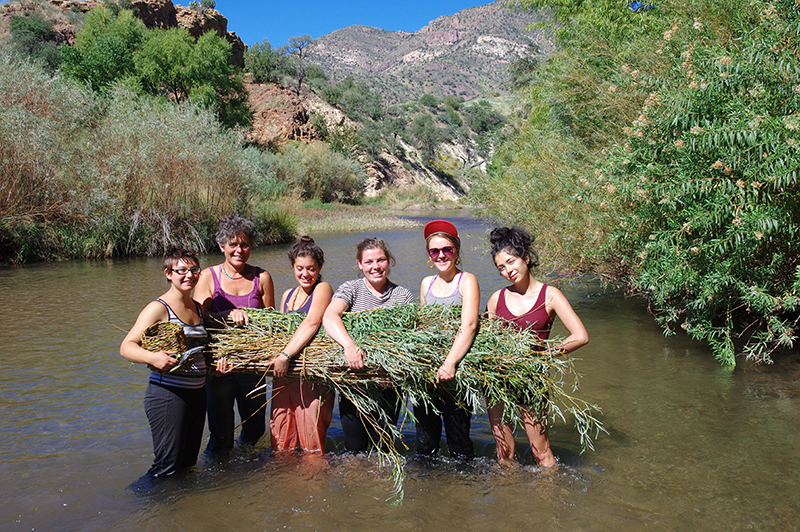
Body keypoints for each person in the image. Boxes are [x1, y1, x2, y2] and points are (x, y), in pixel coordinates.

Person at [486, 227, 589, 466]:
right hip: (498, 381)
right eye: (501, 267)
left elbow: (580, 336)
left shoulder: (550, 295)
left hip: (532, 379)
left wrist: (544, 356)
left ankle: (547, 499)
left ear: (526, 258)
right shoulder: (495, 299)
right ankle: (509, 497)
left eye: (511, 262)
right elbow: (489, 344)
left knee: (541, 452)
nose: (507, 271)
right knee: (504, 454)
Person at [120, 249, 208, 478]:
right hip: (168, 394)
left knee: (188, 463)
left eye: (194, 270)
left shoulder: (197, 307)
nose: (189, 275)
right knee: (166, 466)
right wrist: (153, 357)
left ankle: (179, 511)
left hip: (197, 395)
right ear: (168, 273)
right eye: (182, 271)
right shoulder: (158, 308)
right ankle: (141, 507)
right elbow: (127, 346)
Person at [322, 237, 415, 453]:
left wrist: (392, 370)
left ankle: (378, 485)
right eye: (369, 262)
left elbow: (409, 339)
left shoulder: (402, 296)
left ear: (389, 261)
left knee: (382, 449)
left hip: (388, 384)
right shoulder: (351, 289)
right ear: (360, 264)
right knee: (354, 450)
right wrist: (349, 346)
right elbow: (330, 316)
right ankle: (357, 484)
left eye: (381, 260)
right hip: (354, 384)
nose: (375, 267)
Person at [194, 215, 275, 454]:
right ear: (222, 246)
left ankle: (251, 475)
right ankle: (221, 477)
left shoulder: (262, 277)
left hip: (253, 366)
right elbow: (198, 320)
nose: (239, 250)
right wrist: (228, 313)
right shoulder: (209, 276)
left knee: (255, 431)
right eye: (233, 244)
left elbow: (272, 323)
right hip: (220, 366)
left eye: (245, 244)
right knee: (221, 435)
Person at [415, 220, 479, 460]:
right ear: (429, 255)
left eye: (447, 249)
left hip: (456, 370)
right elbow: (422, 327)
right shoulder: (426, 283)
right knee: (425, 443)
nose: (441, 255)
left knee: (459, 441)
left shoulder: (467, 280)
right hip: (427, 371)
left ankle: (462, 488)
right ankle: (429, 490)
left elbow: (469, 325)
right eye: (435, 251)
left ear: (457, 251)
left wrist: (450, 363)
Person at [270, 236, 335, 453]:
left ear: (320, 268)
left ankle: (314, 482)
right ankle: (286, 482)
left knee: (312, 440)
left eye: (311, 268)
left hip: (311, 373)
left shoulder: (323, 288)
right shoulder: (288, 295)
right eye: (300, 268)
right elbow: (280, 332)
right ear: (292, 267)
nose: (305, 274)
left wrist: (284, 356)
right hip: (286, 375)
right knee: (281, 436)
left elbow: (312, 321)